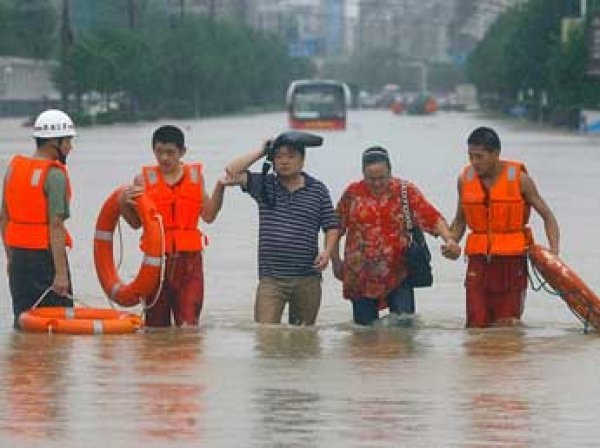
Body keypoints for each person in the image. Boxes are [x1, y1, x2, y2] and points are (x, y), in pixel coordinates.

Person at [442, 126, 560, 327]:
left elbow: (548, 216)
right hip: (478, 261)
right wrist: (451, 242)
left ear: (496, 154)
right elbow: (460, 220)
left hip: (512, 261)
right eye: (471, 156)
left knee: (507, 325)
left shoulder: (521, 180)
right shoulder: (464, 180)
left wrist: (553, 252)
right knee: (474, 324)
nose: (474, 162)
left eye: (479, 156)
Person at [331, 146, 459, 326]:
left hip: (399, 272)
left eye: (382, 178)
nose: (376, 184)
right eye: (371, 179)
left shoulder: (405, 192)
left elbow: (432, 217)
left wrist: (450, 240)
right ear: (363, 173)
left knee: (403, 328)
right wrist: (335, 260)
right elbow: (335, 227)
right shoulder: (352, 193)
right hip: (361, 277)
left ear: (390, 171)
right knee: (364, 334)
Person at [225, 132, 340, 325]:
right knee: (266, 334)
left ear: (302, 160)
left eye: (291, 156)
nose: (284, 161)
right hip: (272, 279)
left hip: (307, 277)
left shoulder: (317, 189)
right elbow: (231, 171)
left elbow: (331, 225)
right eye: (278, 156)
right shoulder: (264, 184)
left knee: (304, 338)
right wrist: (262, 151)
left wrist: (327, 252)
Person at [119, 125, 228, 327]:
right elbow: (135, 224)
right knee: (155, 328)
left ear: (182, 152)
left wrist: (220, 188)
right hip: (156, 262)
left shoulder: (196, 178)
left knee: (188, 325)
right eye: (159, 152)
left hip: (189, 263)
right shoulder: (142, 181)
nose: (164, 158)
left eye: (170, 152)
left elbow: (209, 215)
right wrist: (123, 203)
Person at [0, 109, 76, 328]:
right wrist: (61, 275)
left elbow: (4, 216)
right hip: (45, 261)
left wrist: (10, 258)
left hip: (18, 260)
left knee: (24, 323)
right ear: (55, 142)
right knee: (58, 327)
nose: (70, 147)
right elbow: (56, 225)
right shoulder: (55, 175)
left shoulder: (13, 169)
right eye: (68, 141)